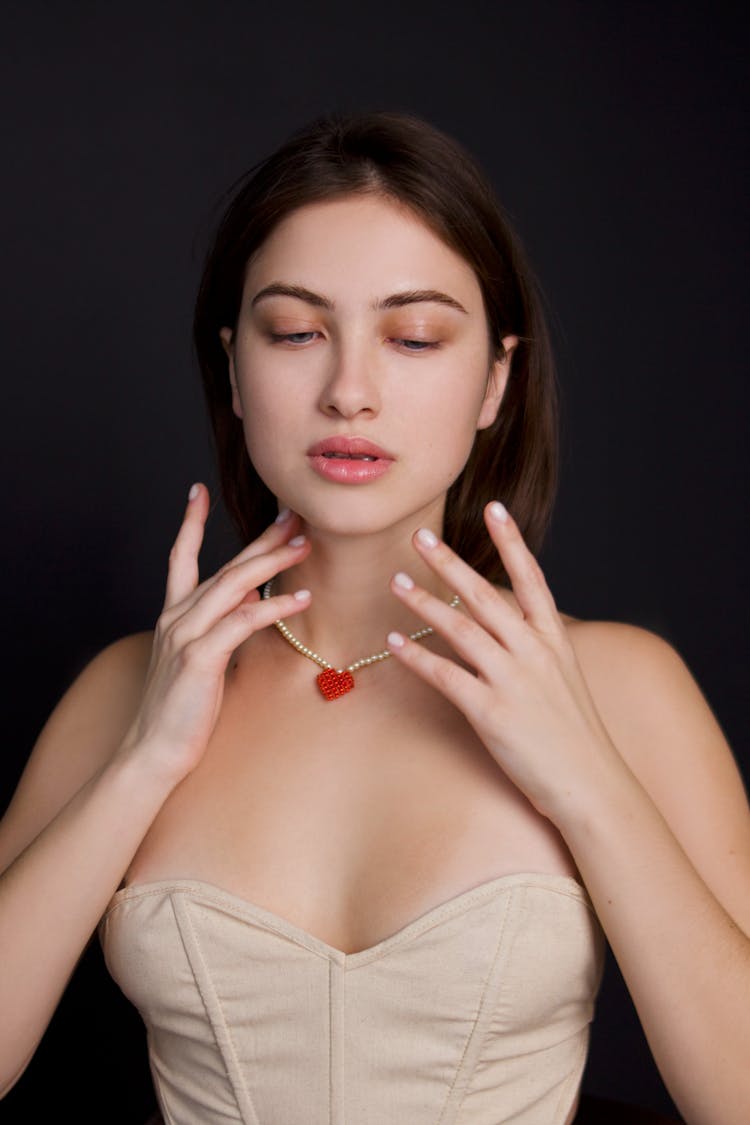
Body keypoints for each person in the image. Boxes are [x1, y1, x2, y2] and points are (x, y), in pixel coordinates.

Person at [0, 110, 748, 1125]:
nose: (350, 390)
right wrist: (144, 763)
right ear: (232, 367)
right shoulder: (124, 693)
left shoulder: (621, 685)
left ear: (495, 379)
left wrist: (588, 786)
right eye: (297, 332)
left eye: (415, 336)